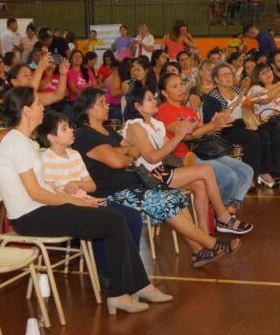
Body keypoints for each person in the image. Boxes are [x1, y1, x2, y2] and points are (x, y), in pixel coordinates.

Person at [0, 88, 162, 315]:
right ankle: (119, 293)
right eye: (38, 104)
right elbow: (37, 194)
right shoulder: (16, 143)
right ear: (26, 110)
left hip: (41, 210)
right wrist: (79, 203)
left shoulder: (23, 141)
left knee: (118, 216)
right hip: (30, 217)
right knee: (112, 220)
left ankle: (137, 284)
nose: (43, 107)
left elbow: (44, 189)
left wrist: (81, 201)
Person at [72, 89, 240, 270]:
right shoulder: (85, 135)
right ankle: (211, 243)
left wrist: (122, 152)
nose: (107, 106)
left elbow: (134, 150)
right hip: (113, 192)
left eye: (106, 102)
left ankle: (198, 251)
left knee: (176, 197)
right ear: (88, 109)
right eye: (101, 103)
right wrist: (123, 153)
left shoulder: (108, 131)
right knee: (166, 201)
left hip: (134, 183)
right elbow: (118, 162)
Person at [122, 88, 254, 233]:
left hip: (161, 170)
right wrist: (179, 136)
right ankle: (223, 217)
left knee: (200, 184)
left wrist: (188, 131)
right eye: (149, 99)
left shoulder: (155, 123)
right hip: (147, 175)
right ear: (138, 106)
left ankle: (204, 233)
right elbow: (152, 158)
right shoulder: (135, 126)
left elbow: (168, 150)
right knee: (206, 170)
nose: (155, 101)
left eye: (153, 98)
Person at [157, 72, 256, 214]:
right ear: (164, 93)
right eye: (174, 86)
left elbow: (201, 132)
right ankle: (221, 212)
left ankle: (229, 209)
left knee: (247, 171)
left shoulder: (187, 109)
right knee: (229, 176)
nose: (181, 88)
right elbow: (187, 136)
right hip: (182, 156)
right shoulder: (164, 110)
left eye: (181, 84)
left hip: (202, 150)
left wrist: (216, 124)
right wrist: (212, 124)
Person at [202, 63, 273, 188]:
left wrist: (252, 99)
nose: (228, 77)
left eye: (230, 74)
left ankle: (264, 171)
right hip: (224, 128)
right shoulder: (212, 96)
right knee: (252, 138)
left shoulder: (236, 90)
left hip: (243, 123)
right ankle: (248, 176)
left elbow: (247, 106)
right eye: (224, 75)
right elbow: (217, 119)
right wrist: (236, 102)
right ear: (216, 79)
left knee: (264, 133)